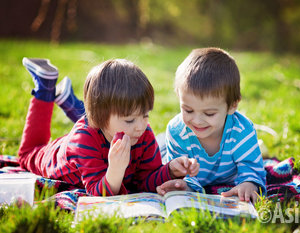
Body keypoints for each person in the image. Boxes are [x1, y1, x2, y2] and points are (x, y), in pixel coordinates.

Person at [18, 57, 199, 196]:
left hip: (98, 135)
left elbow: (144, 181)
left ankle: (68, 100)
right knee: (26, 154)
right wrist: (116, 170)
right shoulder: (83, 140)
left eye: (145, 115)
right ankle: (45, 87)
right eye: (129, 120)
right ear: (100, 119)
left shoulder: (143, 133)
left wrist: (170, 171)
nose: (141, 126)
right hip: (49, 157)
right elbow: (97, 193)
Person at [156, 48, 266, 203]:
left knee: (253, 155)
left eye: (209, 114)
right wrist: (184, 185)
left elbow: (253, 169)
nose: (197, 120)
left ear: (232, 106)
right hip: (164, 149)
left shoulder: (242, 131)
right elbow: (179, 172)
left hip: (228, 166)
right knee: (158, 150)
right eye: (188, 110)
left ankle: (259, 147)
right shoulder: (176, 131)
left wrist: (249, 184)